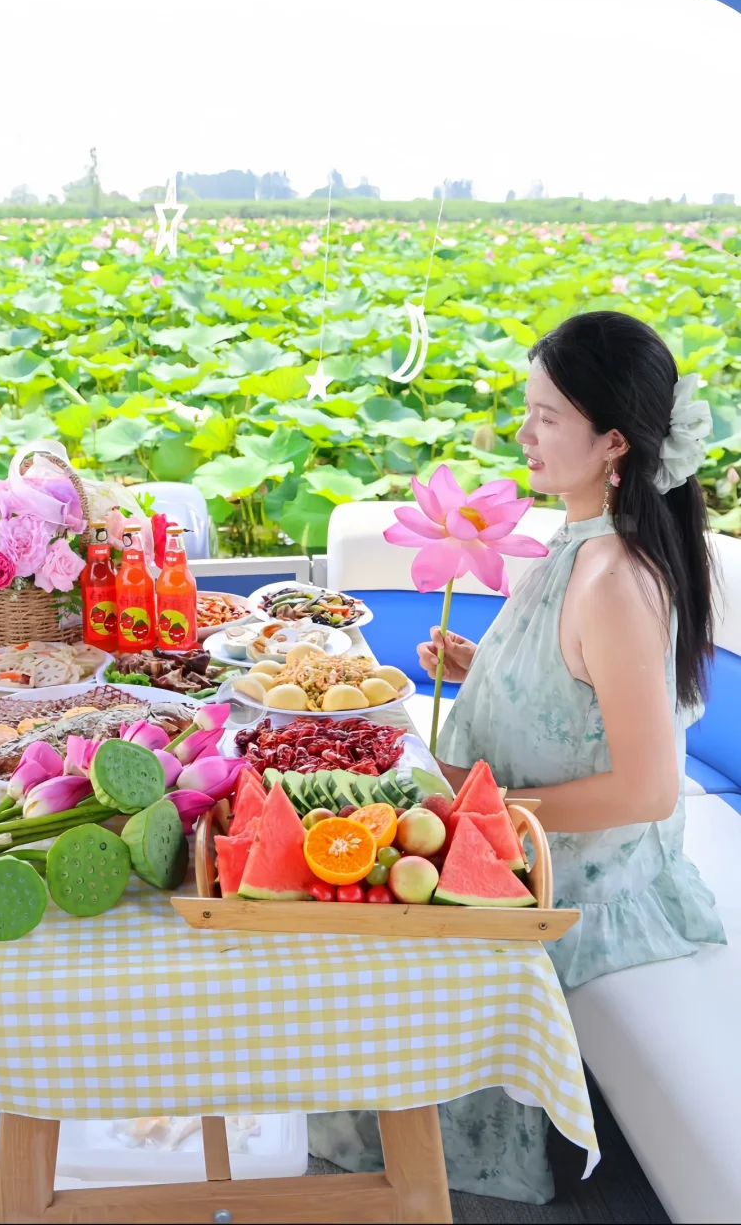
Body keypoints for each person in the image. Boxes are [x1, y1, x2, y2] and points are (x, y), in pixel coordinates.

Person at [310, 312, 724, 1201]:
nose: (524, 434)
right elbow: (575, 689)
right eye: (526, 410)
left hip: (570, 881)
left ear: (613, 442)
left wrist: (482, 801)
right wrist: (482, 666)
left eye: (547, 418)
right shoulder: (578, 538)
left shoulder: (616, 579)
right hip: (504, 830)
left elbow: (649, 789)